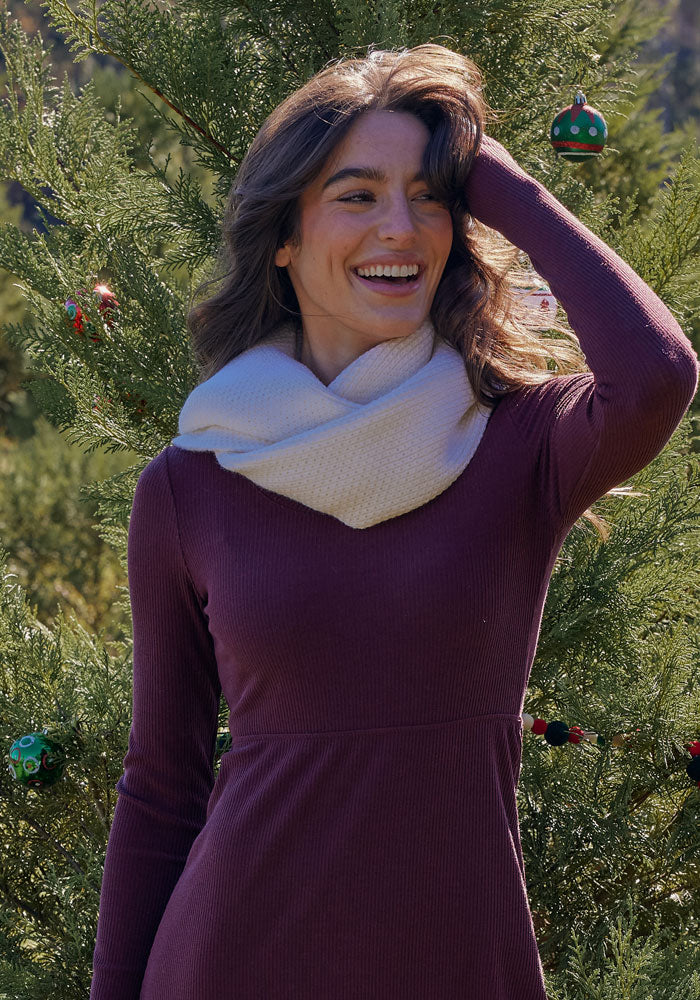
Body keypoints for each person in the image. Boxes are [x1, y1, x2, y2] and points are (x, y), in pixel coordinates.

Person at [89, 43, 698, 1000]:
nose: (402, 229)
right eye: (358, 195)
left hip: (461, 962)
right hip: (229, 964)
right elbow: (161, 790)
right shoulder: (192, 482)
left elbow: (658, 376)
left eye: (430, 197)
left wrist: (503, 183)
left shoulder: (517, 442)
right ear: (283, 235)